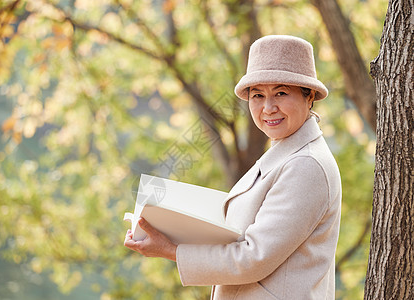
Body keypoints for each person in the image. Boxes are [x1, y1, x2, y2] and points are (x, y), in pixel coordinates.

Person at [124, 35, 342, 300]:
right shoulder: (284, 155)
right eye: (258, 95)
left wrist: (172, 250)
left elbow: (253, 258)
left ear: (309, 97)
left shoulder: (306, 165)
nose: (268, 107)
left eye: (281, 93)